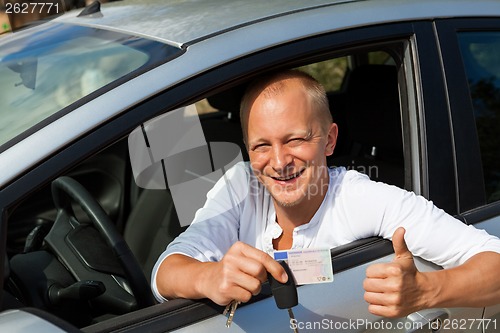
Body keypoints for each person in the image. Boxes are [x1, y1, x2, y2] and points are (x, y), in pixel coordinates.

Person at [151, 70, 500, 318]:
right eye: (261, 146)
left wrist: (426, 291)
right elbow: (166, 270)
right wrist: (208, 276)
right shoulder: (241, 186)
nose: (278, 161)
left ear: (330, 140)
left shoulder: (360, 198)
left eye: (295, 140)